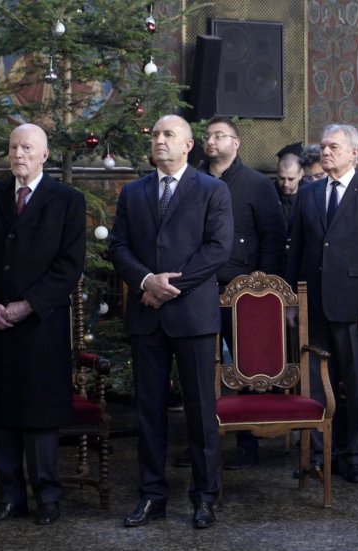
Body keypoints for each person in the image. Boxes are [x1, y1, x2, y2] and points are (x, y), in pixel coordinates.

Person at [110, 114, 233, 529]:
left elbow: (218, 248)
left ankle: (205, 497)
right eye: (155, 135)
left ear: (188, 145)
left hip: (192, 317)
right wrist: (146, 281)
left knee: (201, 411)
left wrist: (167, 286)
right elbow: (119, 246)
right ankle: (152, 496)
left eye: (168, 134)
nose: (159, 140)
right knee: (149, 412)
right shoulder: (134, 192)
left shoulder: (212, 190)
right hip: (146, 316)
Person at [0, 123, 86, 525]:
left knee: (39, 414)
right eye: (14, 147)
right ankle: (10, 497)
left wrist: (29, 305)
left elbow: (70, 265)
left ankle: (47, 498)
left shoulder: (67, 200)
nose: (18, 154)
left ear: (44, 155)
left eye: (27, 148)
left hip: (41, 324)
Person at [285, 124, 358, 483]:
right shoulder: (309, 193)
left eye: (333, 147)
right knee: (314, 385)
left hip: (354, 306)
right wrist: (291, 301)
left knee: (356, 385)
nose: (325, 152)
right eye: (323, 146)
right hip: (313, 306)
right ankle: (316, 455)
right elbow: (297, 252)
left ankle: (356, 456)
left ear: (353, 153)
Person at [199, 116, 286, 470]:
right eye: (207, 136)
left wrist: (263, 287)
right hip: (199, 287)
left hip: (245, 292)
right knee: (200, 367)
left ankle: (248, 442)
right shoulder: (194, 180)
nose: (211, 141)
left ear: (236, 143)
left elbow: (273, 237)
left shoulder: (257, 184)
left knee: (249, 366)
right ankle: (203, 442)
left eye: (219, 136)